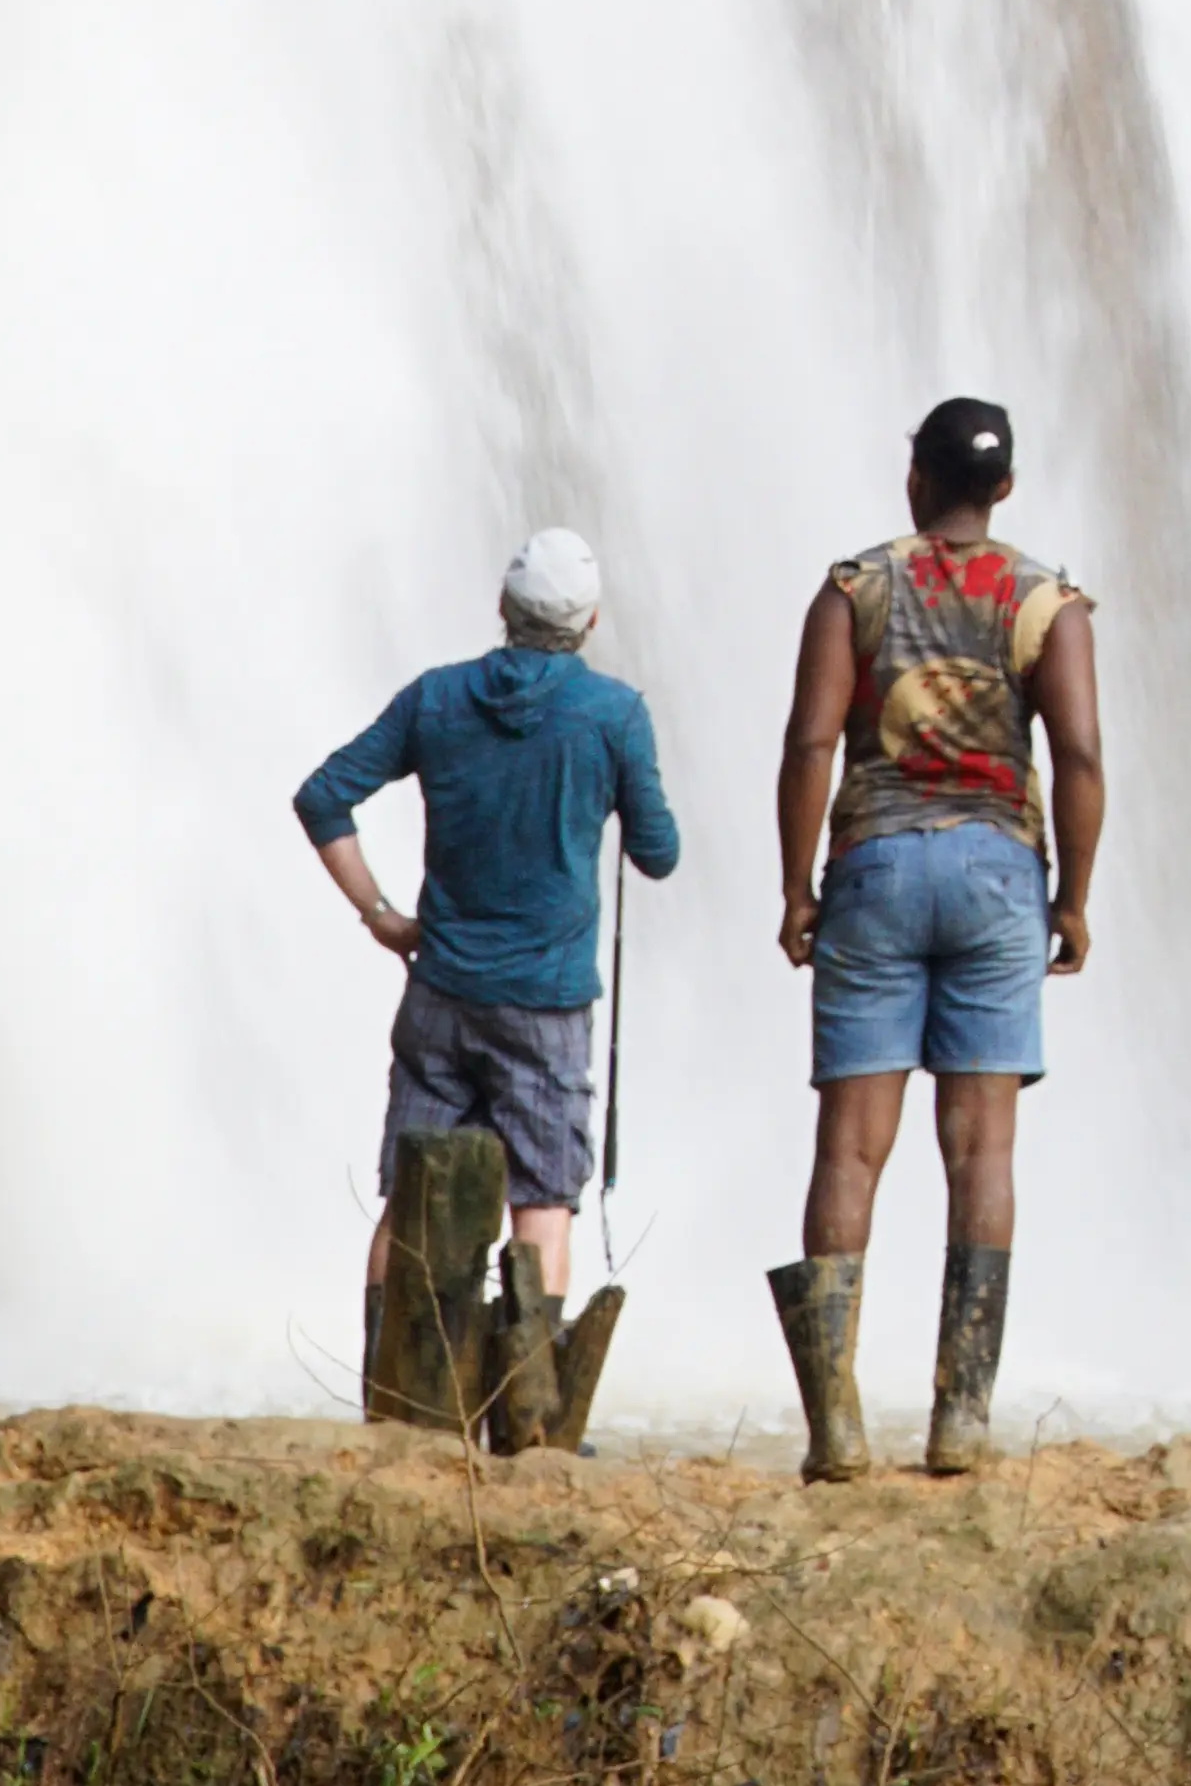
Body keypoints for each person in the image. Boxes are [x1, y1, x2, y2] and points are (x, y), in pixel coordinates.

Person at [768, 396, 1101, 1482]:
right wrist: (1075, 900)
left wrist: (794, 888)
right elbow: (1084, 759)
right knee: (982, 1152)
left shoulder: (856, 589)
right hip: (999, 873)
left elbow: (812, 740)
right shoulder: (1047, 604)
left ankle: (836, 1427)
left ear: (915, 476)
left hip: (873, 866)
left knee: (852, 1150)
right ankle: (961, 1418)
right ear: (1002, 489)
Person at [296, 528, 680, 1439]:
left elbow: (322, 797)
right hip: (546, 1007)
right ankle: (527, 1425)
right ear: (588, 619)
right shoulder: (614, 713)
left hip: (440, 994)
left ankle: (394, 1411)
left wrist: (381, 913)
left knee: (411, 1198)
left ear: (502, 609)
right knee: (541, 1203)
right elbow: (659, 854)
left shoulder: (436, 700)